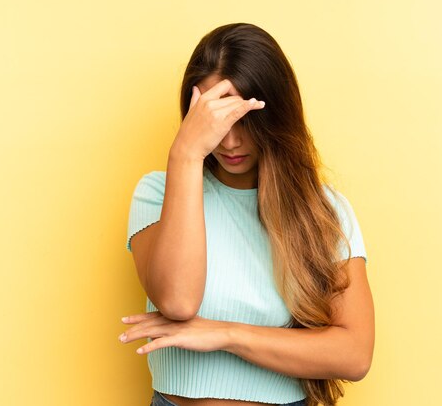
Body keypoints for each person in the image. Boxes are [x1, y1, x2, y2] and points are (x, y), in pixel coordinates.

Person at [120, 23, 375, 406]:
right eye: (217, 120)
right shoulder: (158, 194)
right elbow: (177, 302)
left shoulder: (323, 209)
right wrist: (186, 154)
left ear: (275, 114)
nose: (230, 141)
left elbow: (354, 354)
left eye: (244, 120)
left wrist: (226, 335)